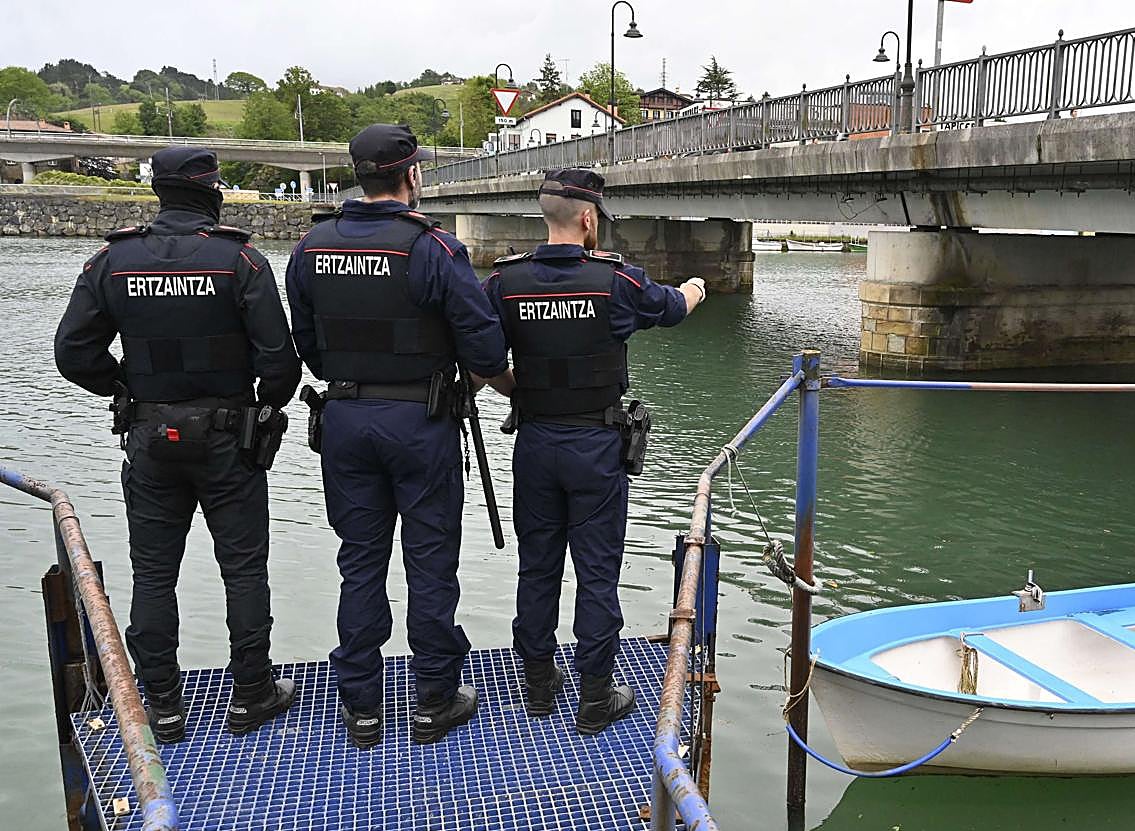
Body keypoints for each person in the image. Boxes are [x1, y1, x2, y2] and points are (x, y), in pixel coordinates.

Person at [53, 146, 302, 743]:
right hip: (227, 438)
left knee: (154, 573)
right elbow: (280, 363)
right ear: (212, 191)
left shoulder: (112, 262)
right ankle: (251, 694)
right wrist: (259, 408)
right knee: (243, 569)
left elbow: (72, 353)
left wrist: (123, 386)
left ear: (160, 193)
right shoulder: (239, 260)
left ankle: (160, 703)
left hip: (150, 436)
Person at [285, 124, 512, 749]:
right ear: (411, 175)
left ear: (358, 174)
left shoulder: (310, 248)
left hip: (346, 419)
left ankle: (360, 704)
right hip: (423, 422)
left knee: (359, 560)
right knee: (430, 562)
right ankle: (434, 696)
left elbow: (309, 348)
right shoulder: (432, 248)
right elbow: (487, 347)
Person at [484, 169, 707, 735]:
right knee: (597, 572)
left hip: (535, 441)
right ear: (588, 219)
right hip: (595, 447)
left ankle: (537, 686)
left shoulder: (505, 282)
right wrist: (695, 288)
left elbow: (481, 357)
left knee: (537, 568)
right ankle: (594, 695)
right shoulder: (616, 282)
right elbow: (673, 309)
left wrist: (521, 391)